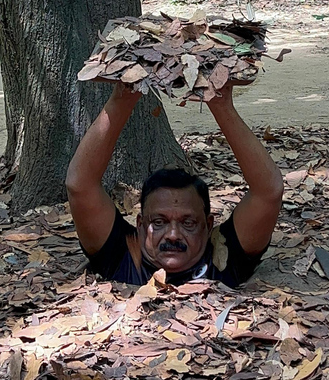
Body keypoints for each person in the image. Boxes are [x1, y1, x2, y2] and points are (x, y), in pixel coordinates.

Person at [65, 83, 283, 288]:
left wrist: (220, 104)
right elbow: (79, 186)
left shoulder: (223, 255)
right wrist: (122, 99)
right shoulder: (124, 254)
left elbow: (268, 192)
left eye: (188, 223)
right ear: (140, 225)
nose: (172, 235)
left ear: (208, 226)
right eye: (159, 222)